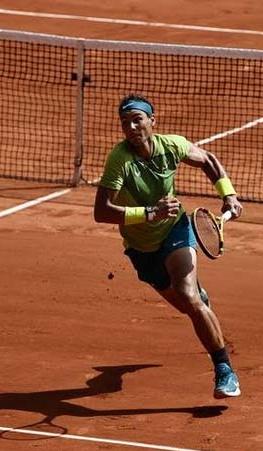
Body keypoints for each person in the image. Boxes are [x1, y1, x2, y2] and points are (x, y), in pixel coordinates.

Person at [93, 93, 243, 399]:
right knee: (189, 306)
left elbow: (209, 160)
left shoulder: (171, 145)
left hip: (175, 231)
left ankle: (224, 370)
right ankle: (199, 302)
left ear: (152, 121)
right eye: (125, 123)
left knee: (189, 297)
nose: (132, 127)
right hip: (140, 249)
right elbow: (101, 211)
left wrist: (229, 194)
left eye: (137, 120)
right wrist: (149, 213)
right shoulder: (119, 159)